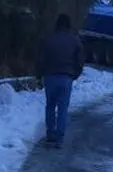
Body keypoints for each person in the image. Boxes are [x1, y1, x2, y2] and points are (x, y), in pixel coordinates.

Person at [36, 13, 84, 148]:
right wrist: (74, 75)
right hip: (66, 77)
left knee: (50, 106)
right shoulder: (74, 41)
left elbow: (40, 60)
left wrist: (39, 75)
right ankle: (59, 138)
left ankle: (50, 134)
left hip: (50, 77)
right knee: (63, 108)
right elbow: (80, 61)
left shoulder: (47, 39)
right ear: (68, 25)